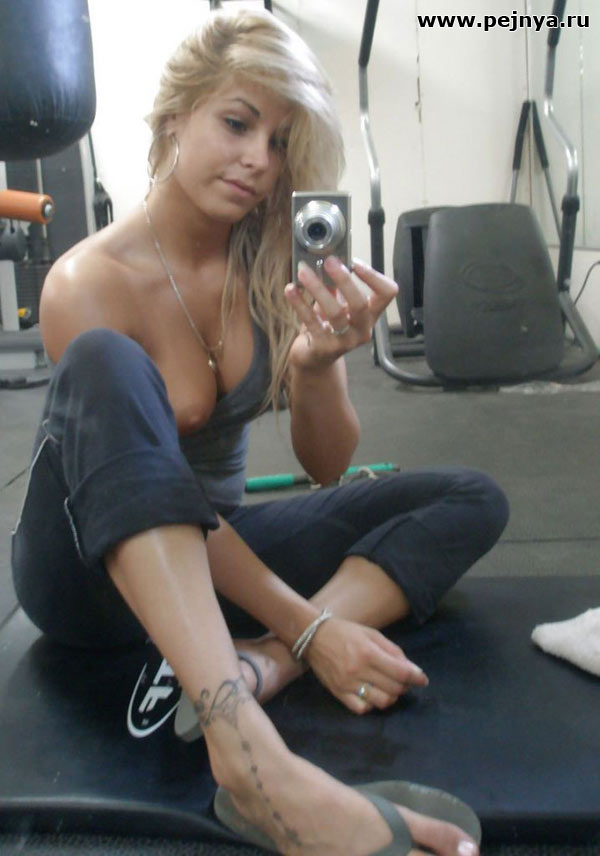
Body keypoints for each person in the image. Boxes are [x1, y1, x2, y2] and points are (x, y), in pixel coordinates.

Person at [11, 9, 508, 855]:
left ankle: (263, 663)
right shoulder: (87, 280)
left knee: (471, 498)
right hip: (87, 573)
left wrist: (316, 365)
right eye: (238, 124)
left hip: (220, 557)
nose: (260, 162)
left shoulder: (274, 262)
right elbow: (150, 490)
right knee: (103, 362)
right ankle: (250, 757)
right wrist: (316, 627)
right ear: (177, 117)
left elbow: (328, 464)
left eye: (280, 142)